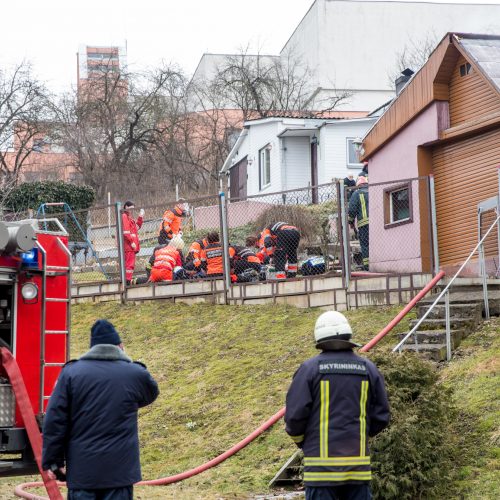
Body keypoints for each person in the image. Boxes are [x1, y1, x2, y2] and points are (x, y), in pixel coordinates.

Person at [42, 320, 159, 500]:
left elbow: (55, 420)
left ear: (92, 347)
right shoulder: (135, 374)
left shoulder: (71, 373)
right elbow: (150, 394)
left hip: (82, 474)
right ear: (120, 346)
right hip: (119, 475)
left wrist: (53, 462)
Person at [285, 311, 390, 500]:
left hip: (320, 473)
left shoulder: (309, 370)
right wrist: (361, 436)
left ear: (320, 338)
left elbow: (294, 417)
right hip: (357, 472)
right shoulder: (367, 369)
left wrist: (303, 442)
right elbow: (382, 415)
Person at [348, 176, 369, 271]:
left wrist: (351, 222)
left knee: (365, 244)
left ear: (358, 185)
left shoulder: (357, 194)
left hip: (364, 224)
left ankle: (367, 266)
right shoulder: (373, 191)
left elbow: (352, 210)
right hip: (376, 224)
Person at [121, 201, 144, 285]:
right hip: (129, 246)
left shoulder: (129, 218)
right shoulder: (124, 216)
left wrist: (140, 217)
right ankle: (127, 281)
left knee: (130, 265)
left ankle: (127, 280)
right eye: (130, 208)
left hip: (130, 246)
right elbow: (126, 232)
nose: (131, 210)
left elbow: (136, 227)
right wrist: (131, 242)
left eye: (132, 209)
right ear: (126, 207)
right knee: (129, 265)